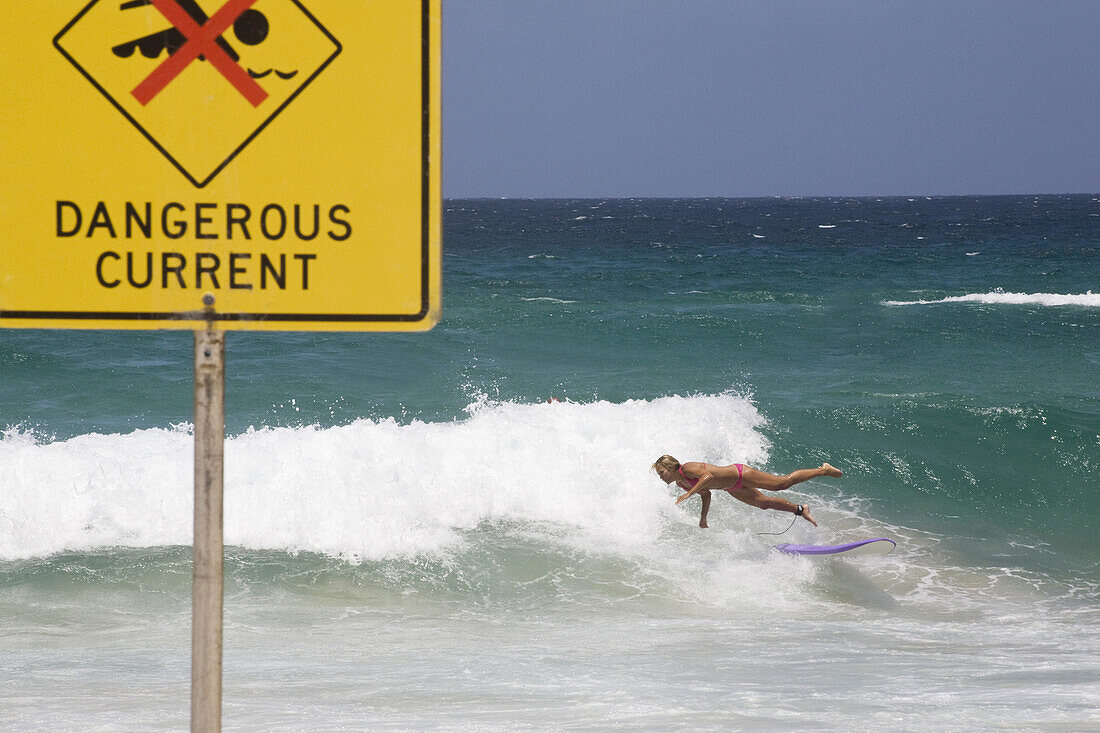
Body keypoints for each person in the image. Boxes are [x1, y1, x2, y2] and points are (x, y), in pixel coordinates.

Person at [652, 454, 842, 529]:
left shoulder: (688, 468)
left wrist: (689, 494)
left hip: (740, 474)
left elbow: (707, 477)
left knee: (781, 484)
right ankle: (801, 510)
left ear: (672, 466)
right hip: (730, 487)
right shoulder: (682, 484)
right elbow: (707, 493)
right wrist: (703, 518)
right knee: (763, 504)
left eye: (662, 472)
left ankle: (823, 469)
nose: (661, 476)